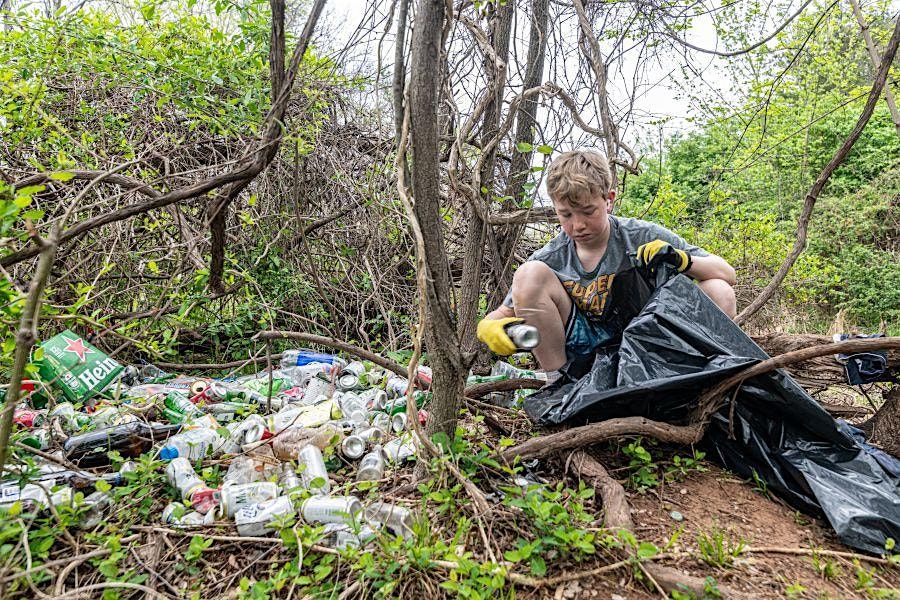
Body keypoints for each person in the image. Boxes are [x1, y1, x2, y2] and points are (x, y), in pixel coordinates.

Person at [476, 149, 736, 381]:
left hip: (653, 346)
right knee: (528, 273)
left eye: (588, 211)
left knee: (718, 290)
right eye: (566, 214)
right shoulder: (551, 256)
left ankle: (698, 379)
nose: (578, 225)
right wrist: (487, 328)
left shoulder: (640, 235)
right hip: (585, 356)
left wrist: (680, 259)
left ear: (609, 199)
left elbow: (727, 274)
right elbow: (501, 315)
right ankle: (559, 384)